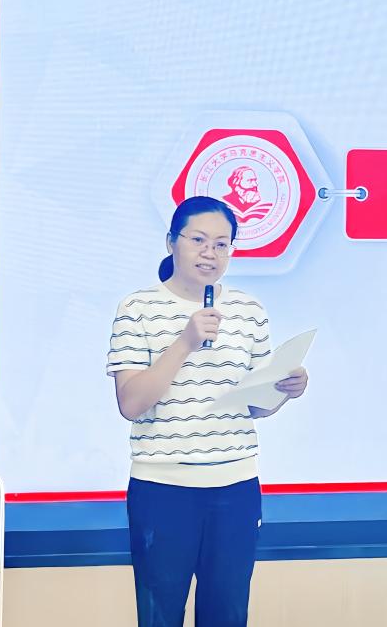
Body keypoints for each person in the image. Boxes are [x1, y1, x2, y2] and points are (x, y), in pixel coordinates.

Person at [106, 196, 308, 627]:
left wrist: (285, 390)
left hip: (236, 487)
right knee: (160, 616)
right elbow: (131, 403)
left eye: (221, 244)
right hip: (163, 488)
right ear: (171, 242)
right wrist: (185, 342)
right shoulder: (137, 308)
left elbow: (254, 406)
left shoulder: (250, 311)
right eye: (197, 240)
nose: (209, 253)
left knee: (228, 615)